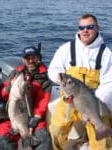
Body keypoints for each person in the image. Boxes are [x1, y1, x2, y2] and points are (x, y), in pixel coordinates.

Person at [48, 14, 112, 150]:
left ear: (97, 28)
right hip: (69, 101)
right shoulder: (66, 48)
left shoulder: (106, 54)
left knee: (103, 142)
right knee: (55, 130)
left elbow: (109, 83)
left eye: (89, 27)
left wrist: (93, 106)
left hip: (93, 103)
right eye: (81, 27)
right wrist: (59, 78)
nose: (85, 30)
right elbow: (53, 70)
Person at [0, 46, 52, 150]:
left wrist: (36, 118)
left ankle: (28, 140)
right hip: (14, 117)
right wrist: (9, 87)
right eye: (27, 58)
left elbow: (43, 101)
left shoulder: (45, 77)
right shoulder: (15, 73)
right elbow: (3, 94)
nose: (30, 61)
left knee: (43, 137)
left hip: (34, 117)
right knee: (2, 134)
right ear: (23, 60)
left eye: (33, 58)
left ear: (38, 58)